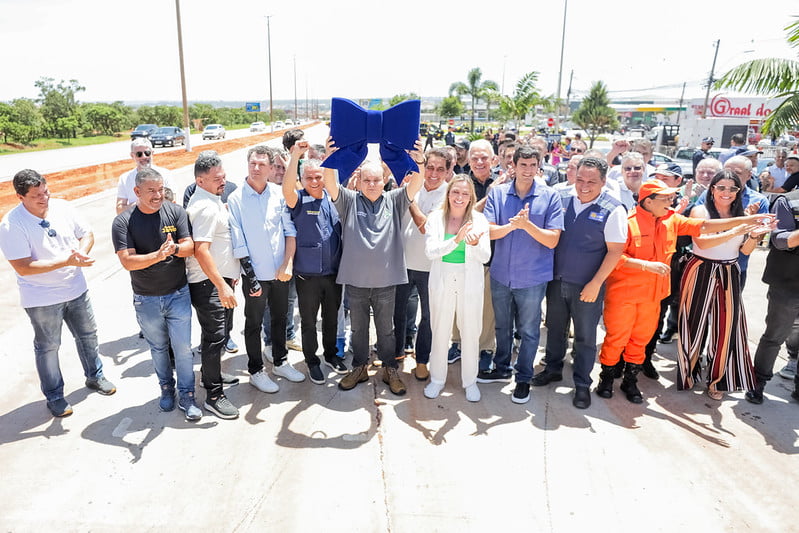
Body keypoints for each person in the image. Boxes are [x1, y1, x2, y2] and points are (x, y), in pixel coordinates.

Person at [596, 179, 772, 404]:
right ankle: (606, 380)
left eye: (672, 198)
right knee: (616, 338)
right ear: (648, 201)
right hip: (625, 294)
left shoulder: (672, 219)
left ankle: (630, 381)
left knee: (641, 340)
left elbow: (705, 227)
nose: (672, 202)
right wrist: (645, 265)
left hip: (653, 296)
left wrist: (746, 220)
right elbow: (614, 256)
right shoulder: (628, 222)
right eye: (666, 198)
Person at [0, 169, 115, 418]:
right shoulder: (11, 224)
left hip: (76, 290)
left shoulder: (63, 208)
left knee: (88, 335)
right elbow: (23, 266)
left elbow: (87, 233)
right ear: (20, 197)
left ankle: (95, 377)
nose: (44, 199)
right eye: (36, 196)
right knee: (48, 347)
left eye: (46, 192)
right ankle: (54, 396)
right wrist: (66, 261)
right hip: (41, 298)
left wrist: (81, 252)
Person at [323, 139, 425, 396]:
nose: (371, 184)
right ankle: (359, 367)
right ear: (358, 182)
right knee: (358, 329)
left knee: (386, 330)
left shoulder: (395, 200)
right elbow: (330, 184)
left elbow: (416, 183)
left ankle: (390, 369)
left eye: (376, 180)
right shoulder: (349, 200)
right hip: (356, 282)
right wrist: (329, 157)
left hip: (386, 282)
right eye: (366, 180)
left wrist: (419, 160)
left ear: (384, 181)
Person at [534, 157, 626, 409]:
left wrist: (596, 283)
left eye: (592, 181)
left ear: (604, 181)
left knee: (585, 337)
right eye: (580, 179)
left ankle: (582, 383)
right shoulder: (562, 200)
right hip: (556, 281)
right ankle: (552, 368)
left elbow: (615, 251)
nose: (584, 186)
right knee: (554, 329)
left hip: (587, 286)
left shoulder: (613, 209)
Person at [111, 167, 202, 420]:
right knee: (159, 348)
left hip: (178, 294)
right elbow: (128, 262)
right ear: (137, 191)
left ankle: (187, 394)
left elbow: (190, 246)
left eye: (160, 189)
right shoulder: (123, 222)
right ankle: (166, 389)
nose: (157, 195)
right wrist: (158, 255)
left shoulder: (175, 212)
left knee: (183, 349)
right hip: (146, 298)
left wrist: (174, 250)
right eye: (151, 190)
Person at [676, 169, 772, 400]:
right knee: (693, 323)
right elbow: (703, 243)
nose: (726, 192)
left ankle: (718, 380)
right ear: (712, 189)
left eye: (732, 188)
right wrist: (738, 228)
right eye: (721, 187)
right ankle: (689, 373)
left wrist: (754, 236)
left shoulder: (741, 214)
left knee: (727, 327)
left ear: (739, 192)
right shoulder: (702, 210)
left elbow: (745, 251)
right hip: (701, 268)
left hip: (729, 270)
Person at [481, 145, 564, 404]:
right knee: (502, 327)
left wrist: (527, 226)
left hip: (532, 278)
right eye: (523, 165)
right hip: (501, 275)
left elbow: (552, 240)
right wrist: (512, 226)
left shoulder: (550, 197)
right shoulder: (497, 194)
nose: (528, 170)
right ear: (512, 167)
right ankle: (502, 368)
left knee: (529, 331)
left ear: (539, 167)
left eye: (532, 165)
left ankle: (523, 378)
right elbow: (490, 232)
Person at [227, 145, 305, 393]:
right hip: (255, 275)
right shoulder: (236, 199)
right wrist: (250, 276)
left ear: (272, 168)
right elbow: (238, 241)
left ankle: (281, 362)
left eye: (262, 164)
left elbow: (289, 231)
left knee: (281, 320)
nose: (257, 168)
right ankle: (256, 370)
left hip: (280, 272)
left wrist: (288, 263)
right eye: (253, 163)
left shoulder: (279, 195)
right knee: (253, 324)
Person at [282, 140, 347, 384]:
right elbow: (287, 189)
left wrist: (331, 155)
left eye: (319, 177)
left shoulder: (335, 200)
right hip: (307, 276)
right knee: (309, 322)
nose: (315, 182)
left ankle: (330, 354)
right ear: (303, 179)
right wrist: (295, 157)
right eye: (309, 178)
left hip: (332, 274)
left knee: (331, 318)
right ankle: (312, 361)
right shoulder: (298, 200)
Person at [423, 175, 491, 402]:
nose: (459, 197)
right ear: (448, 193)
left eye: (464, 193)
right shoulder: (435, 218)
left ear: (471, 196)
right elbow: (431, 252)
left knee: (471, 331)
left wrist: (473, 244)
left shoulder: (479, 220)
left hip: (469, 281)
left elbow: (485, 256)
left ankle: (470, 381)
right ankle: (437, 379)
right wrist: (456, 240)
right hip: (443, 279)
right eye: (455, 192)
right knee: (440, 330)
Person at [184, 151, 240, 419]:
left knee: (220, 334)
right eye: (217, 178)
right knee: (215, 337)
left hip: (220, 281)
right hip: (209, 284)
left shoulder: (213, 199)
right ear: (200, 180)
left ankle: (212, 372)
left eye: (224, 176)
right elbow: (201, 250)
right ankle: (213, 394)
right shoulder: (205, 207)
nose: (223, 182)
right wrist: (221, 285)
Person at [393, 147, 451, 381]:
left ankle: (421, 361)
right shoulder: (413, 186)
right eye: (429, 168)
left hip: (432, 267)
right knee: (397, 313)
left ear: (448, 172)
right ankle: (395, 356)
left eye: (440, 169)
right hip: (403, 263)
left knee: (428, 318)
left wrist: (407, 197)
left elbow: (425, 226)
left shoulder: (449, 196)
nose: (434, 173)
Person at [746, 182, 799, 405]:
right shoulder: (788, 201)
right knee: (775, 335)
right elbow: (780, 240)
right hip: (788, 284)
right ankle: (758, 382)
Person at [115, 138, 172, 214]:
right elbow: (119, 210)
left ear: (152, 153)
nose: (144, 157)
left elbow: (172, 202)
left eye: (147, 153)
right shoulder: (125, 179)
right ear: (132, 155)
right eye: (139, 154)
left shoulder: (165, 174)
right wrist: (139, 204)